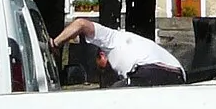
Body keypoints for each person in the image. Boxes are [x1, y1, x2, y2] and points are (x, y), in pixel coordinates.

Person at [52, 16, 186, 87]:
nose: (105, 71)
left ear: (101, 55)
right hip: (178, 75)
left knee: (113, 96)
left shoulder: (110, 38)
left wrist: (55, 43)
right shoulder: (132, 45)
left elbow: (80, 24)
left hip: (152, 70)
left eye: (101, 68)